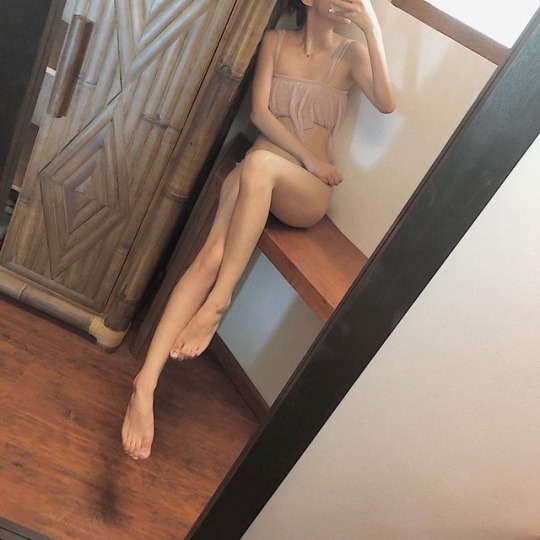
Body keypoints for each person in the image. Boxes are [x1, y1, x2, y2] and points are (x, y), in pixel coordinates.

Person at [122, 0, 394, 460]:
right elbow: (261, 114)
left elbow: (387, 103)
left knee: (261, 165)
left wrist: (373, 29)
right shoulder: (274, 41)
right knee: (209, 255)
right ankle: (144, 385)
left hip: (304, 190)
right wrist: (307, 155)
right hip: (260, 172)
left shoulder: (351, 55)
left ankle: (219, 302)